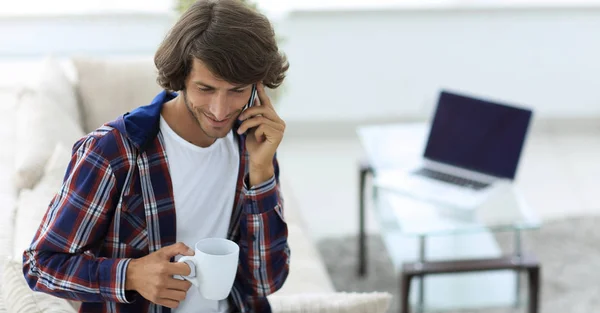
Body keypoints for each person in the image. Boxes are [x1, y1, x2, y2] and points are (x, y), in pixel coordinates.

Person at [22, 0, 290, 312]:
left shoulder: (252, 149)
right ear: (181, 78)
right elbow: (40, 265)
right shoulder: (112, 152)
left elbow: (265, 282)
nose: (220, 110)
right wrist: (130, 274)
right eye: (206, 89)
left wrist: (261, 172)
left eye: (237, 90)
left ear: (258, 88)